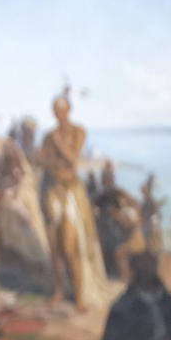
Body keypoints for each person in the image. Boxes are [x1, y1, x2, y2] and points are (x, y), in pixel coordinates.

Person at [34, 88, 109, 310]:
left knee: (70, 246)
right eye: (56, 111)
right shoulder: (48, 135)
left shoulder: (78, 131)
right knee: (55, 245)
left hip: (71, 192)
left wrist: (57, 147)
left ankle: (79, 295)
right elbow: (42, 160)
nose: (60, 115)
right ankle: (58, 291)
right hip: (53, 190)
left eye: (63, 110)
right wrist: (51, 158)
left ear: (69, 110)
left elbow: (72, 159)